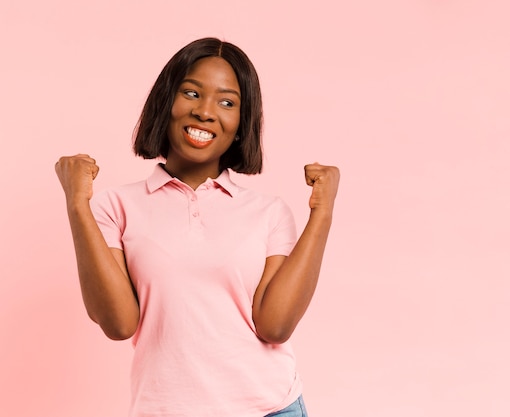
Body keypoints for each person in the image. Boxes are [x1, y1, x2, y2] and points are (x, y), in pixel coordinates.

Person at [55, 37, 339, 417]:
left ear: (241, 124)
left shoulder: (268, 211)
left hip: (271, 408)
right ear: (165, 101)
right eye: (191, 93)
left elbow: (275, 326)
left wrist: (322, 211)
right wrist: (77, 204)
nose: (206, 112)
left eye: (227, 102)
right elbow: (118, 323)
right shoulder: (116, 207)